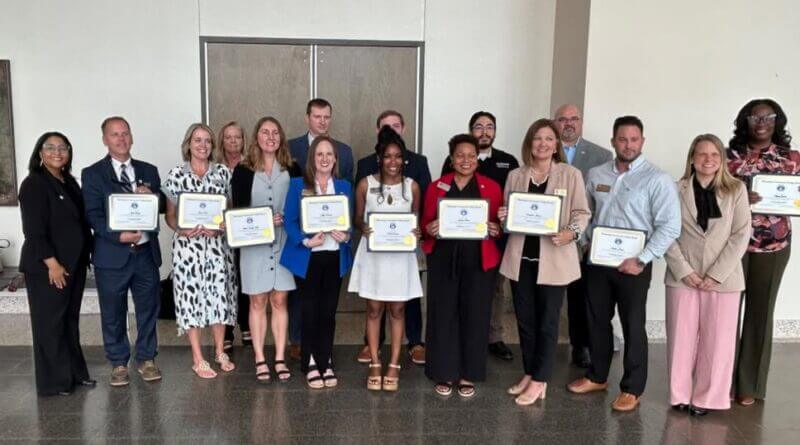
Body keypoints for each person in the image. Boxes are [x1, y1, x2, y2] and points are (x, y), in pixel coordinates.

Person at [567, 116, 681, 411]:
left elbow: (669, 226)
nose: (628, 144)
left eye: (633, 139)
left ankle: (632, 388)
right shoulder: (595, 173)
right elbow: (585, 213)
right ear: (612, 141)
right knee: (596, 320)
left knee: (632, 325)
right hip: (598, 262)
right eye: (622, 139)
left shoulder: (657, 179)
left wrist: (642, 259)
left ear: (642, 141)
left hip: (635, 265)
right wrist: (585, 241)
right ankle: (597, 375)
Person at [498, 119, 590, 405]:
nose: (543, 144)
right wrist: (504, 217)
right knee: (525, 321)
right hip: (521, 258)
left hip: (554, 260)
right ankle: (529, 372)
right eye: (537, 138)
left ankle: (540, 380)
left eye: (549, 139)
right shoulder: (516, 175)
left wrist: (571, 233)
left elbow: (582, 213)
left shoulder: (570, 174)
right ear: (530, 143)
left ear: (556, 145)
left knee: (548, 323)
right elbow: (508, 218)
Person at [664, 134, 751, 415]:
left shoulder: (736, 190)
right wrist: (684, 271)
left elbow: (740, 235)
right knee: (681, 337)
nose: (708, 160)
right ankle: (679, 394)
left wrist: (716, 275)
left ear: (722, 160)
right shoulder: (675, 189)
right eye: (702, 154)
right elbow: (665, 232)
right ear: (692, 158)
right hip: (683, 275)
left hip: (724, 279)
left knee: (718, 341)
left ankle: (708, 398)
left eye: (714, 155)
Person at [728, 99, 800, 406]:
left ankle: (749, 386)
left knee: (760, 313)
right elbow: (710, 192)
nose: (761, 122)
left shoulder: (792, 158)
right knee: (727, 314)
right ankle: (721, 381)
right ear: (745, 120)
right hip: (731, 244)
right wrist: (739, 192)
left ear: (777, 121)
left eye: (768, 117)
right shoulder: (729, 156)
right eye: (754, 117)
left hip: (773, 246)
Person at [82, 117, 163, 387]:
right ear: (105, 139)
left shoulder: (148, 170)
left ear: (132, 136)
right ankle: (118, 362)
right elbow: (93, 215)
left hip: (144, 254)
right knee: (113, 312)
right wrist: (118, 235)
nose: (121, 139)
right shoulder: (93, 174)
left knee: (148, 309)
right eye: (114, 134)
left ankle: (147, 358)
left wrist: (151, 194)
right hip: (112, 256)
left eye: (125, 133)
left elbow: (161, 205)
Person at [423, 134, 503, 397]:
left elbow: (500, 227)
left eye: (471, 155)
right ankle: (444, 371)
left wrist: (496, 228)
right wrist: (430, 228)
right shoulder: (437, 187)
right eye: (460, 155)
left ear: (477, 159)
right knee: (443, 314)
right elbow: (424, 225)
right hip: (444, 260)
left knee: (476, 315)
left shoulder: (491, 187)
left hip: (479, 261)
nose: (466, 160)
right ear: (452, 158)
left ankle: (469, 372)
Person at [19, 132, 95, 396]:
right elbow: (34, 230)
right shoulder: (34, 184)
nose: (57, 152)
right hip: (48, 267)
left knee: (68, 320)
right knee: (49, 324)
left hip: (73, 264)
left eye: (63, 147)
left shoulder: (69, 182)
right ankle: (55, 382)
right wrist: (52, 263)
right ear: (40, 153)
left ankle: (74, 374)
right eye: (50, 147)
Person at [354, 110, 431, 366]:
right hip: (373, 256)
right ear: (379, 157)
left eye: (398, 156)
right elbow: (356, 218)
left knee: (398, 309)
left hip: (400, 258)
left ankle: (395, 363)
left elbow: (416, 220)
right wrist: (362, 226)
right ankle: (376, 362)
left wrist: (418, 232)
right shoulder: (365, 184)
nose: (393, 161)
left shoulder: (413, 187)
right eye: (387, 156)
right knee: (374, 309)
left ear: (404, 159)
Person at [441, 111, 519, 361]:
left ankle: (494, 337)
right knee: (462, 289)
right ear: (470, 130)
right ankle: (464, 334)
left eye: (489, 127)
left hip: (494, 238)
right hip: (458, 240)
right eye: (478, 127)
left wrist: (502, 226)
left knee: (495, 289)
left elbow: (515, 201)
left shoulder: (508, 161)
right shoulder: (452, 160)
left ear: (495, 131)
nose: (484, 132)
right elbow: (444, 195)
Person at [163, 123, 238, 379]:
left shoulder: (223, 174)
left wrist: (223, 226)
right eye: (198, 140)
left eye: (207, 141)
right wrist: (181, 230)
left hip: (217, 247)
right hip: (188, 249)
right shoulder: (176, 175)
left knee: (219, 298)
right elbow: (171, 216)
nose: (203, 145)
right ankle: (198, 357)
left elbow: (228, 210)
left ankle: (219, 352)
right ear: (189, 144)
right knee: (190, 300)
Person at [231, 117, 301, 383]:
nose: (270, 137)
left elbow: (301, 206)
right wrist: (262, 220)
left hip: (284, 242)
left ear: (281, 137)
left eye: (275, 132)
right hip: (254, 245)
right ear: (256, 137)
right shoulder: (244, 170)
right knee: (257, 301)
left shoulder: (292, 168)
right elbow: (237, 213)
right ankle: (260, 358)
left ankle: (280, 357)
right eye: (264, 132)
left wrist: (289, 216)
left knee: (280, 301)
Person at [281, 136, 354, 389]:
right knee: (309, 311)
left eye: (329, 154)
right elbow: (289, 221)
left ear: (336, 159)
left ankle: (327, 359)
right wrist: (304, 240)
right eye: (319, 154)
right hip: (308, 256)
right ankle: (310, 360)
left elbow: (351, 223)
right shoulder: (298, 185)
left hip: (334, 256)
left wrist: (346, 235)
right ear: (312, 158)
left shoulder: (344, 186)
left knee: (328, 312)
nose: (324, 159)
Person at [553, 104, 614, 368]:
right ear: (555, 123)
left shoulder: (602, 155)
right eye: (562, 119)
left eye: (573, 119)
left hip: (586, 240)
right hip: (551, 237)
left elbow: (604, 203)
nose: (568, 123)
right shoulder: (543, 148)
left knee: (583, 297)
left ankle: (581, 346)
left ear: (581, 122)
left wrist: (588, 238)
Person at [216, 121, 251, 350]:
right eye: (228, 137)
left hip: (246, 233)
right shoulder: (214, 168)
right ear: (222, 140)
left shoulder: (251, 167)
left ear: (243, 140)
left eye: (237, 137)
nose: (233, 141)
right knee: (226, 281)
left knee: (245, 277)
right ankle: (227, 331)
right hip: (219, 235)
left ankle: (246, 324)